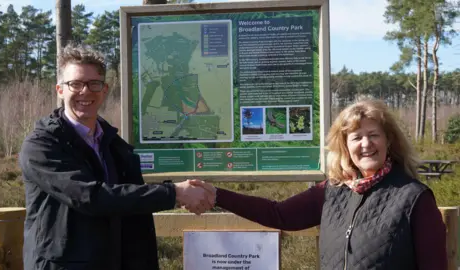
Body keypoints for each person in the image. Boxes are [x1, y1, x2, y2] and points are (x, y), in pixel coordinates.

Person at [18, 43, 214, 270]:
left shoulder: (114, 144)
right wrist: (174, 193)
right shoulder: (42, 145)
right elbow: (89, 196)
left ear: (105, 89)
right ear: (60, 90)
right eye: (75, 84)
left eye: (94, 84)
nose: (85, 91)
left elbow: (131, 207)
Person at [191, 99, 448, 270]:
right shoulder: (332, 191)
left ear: (388, 141)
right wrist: (217, 195)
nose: (366, 144)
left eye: (373, 135)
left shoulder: (414, 198)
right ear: (345, 145)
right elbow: (279, 214)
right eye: (357, 137)